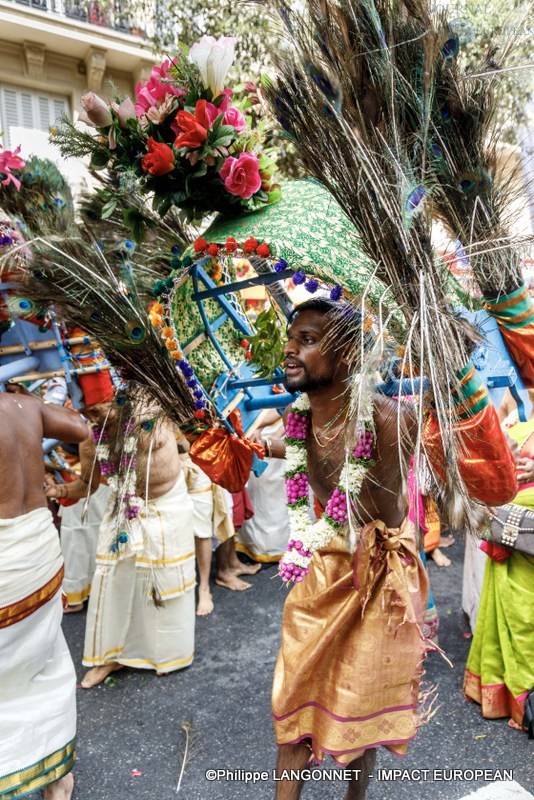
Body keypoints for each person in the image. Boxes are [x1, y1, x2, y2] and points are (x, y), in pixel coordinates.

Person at [267, 298, 517, 800]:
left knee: (362, 694)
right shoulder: (293, 423)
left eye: (309, 340)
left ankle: (356, 797)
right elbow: (269, 452)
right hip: (326, 566)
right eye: (292, 338)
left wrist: (454, 371)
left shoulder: (387, 419)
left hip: (382, 574)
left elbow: (460, 442)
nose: (290, 350)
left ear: (348, 357)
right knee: (295, 689)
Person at [46, 399, 196, 688]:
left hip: (169, 506)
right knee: (114, 580)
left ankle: (166, 654)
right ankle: (110, 657)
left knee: (164, 583)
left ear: (114, 398)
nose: (95, 413)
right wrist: (60, 489)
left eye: (99, 406)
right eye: (88, 410)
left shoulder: (154, 411)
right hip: (122, 508)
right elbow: (86, 484)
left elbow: (188, 442)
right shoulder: (92, 438)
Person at [0, 388, 89, 800]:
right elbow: (84, 429)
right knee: (45, 662)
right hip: (40, 555)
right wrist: (85, 485)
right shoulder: (25, 405)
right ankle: (56, 779)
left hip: (7, 570)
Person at [464, 412, 534, 731]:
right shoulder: (520, 411)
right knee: (511, 611)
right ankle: (512, 695)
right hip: (507, 524)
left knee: (526, 617)